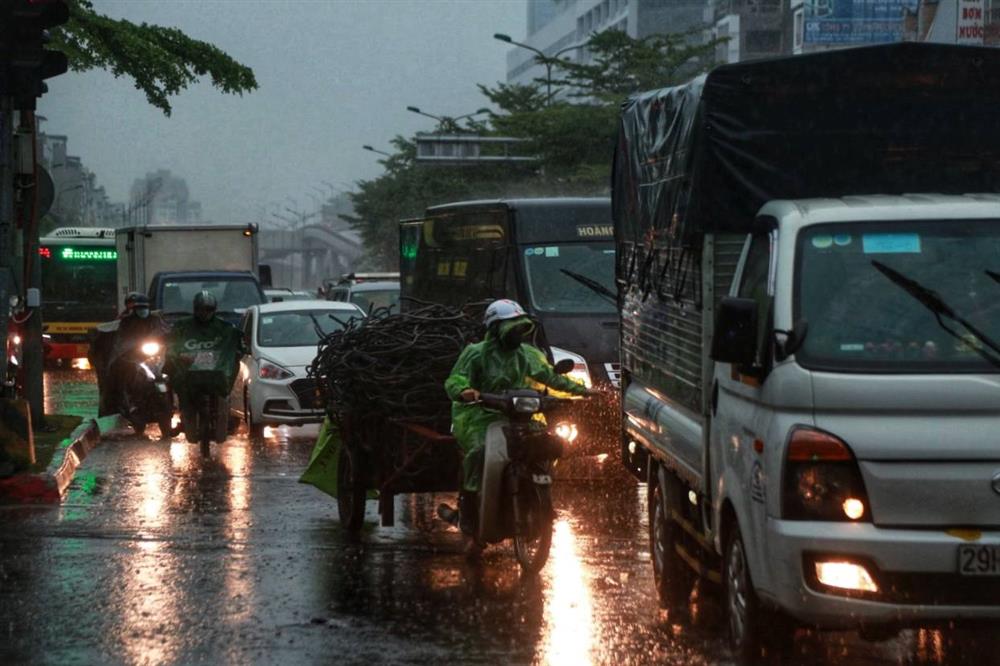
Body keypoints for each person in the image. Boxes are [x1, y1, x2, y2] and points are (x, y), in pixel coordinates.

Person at [440, 299, 597, 549]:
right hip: (479, 416)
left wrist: (583, 391)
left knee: (544, 444)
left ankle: (535, 502)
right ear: (495, 329)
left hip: (520, 414)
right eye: (512, 328)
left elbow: (550, 378)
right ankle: (469, 513)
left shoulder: (528, 355)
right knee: (479, 452)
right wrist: (465, 390)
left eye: (521, 328)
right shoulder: (476, 353)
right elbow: (456, 379)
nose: (517, 333)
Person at [165, 291, 244, 439]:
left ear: (214, 310)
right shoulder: (182, 326)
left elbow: (237, 343)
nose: (204, 313)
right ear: (195, 309)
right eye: (201, 309)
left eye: (208, 309)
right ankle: (182, 413)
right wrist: (178, 355)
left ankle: (224, 415)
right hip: (188, 371)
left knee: (233, 368)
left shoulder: (225, 327)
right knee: (168, 374)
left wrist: (239, 349)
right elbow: (171, 344)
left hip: (216, 372)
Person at [93, 292, 168, 417]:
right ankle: (120, 404)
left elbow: (164, 331)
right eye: (139, 308)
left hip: (154, 354)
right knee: (116, 372)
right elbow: (121, 339)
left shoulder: (155, 319)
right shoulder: (126, 321)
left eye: (144, 307)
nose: (142, 311)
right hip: (132, 355)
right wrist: (130, 347)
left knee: (175, 369)